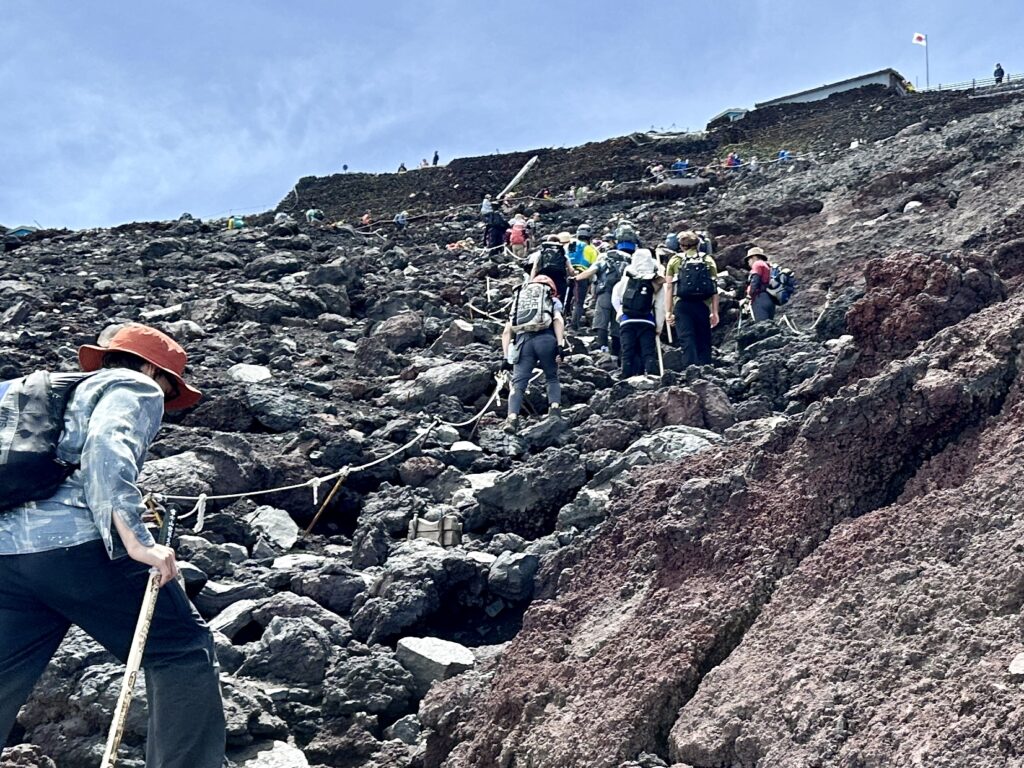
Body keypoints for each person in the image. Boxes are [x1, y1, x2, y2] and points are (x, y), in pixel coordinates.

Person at [0, 324, 225, 768]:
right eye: (168, 384)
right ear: (150, 368)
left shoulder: (32, 397)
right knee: (181, 649)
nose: (164, 396)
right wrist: (140, 544)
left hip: (7, 556)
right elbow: (108, 447)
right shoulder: (135, 385)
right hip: (74, 550)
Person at [501, 275, 566, 430]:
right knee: (551, 377)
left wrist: (505, 357)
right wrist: (560, 345)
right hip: (546, 341)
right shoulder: (552, 300)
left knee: (518, 384)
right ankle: (555, 410)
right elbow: (558, 320)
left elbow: (506, 331)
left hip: (523, 344)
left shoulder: (521, 301)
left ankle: (512, 418)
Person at [665, 231, 720, 368]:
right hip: (702, 304)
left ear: (681, 246)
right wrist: (715, 311)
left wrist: (668, 311)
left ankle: (691, 370)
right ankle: (706, 368)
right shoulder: (707, 260)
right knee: (704, 339)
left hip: (681, 304)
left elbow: (669, 287)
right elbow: (714, 288)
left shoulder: (675, 260)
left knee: (686, 338)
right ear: (698, 245)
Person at [612, 248, 664, 377]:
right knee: (648, 351)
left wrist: (621, 313)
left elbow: (615, 299)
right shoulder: (655, 282)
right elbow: (659, 306)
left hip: (627, 320)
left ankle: (626, 377)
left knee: (627, 350)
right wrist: (659, 326)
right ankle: (651, 375)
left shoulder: (626, 279)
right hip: (647, 321)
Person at [575, 239, 631, 354]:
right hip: (621, 294)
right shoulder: (626, 260)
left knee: (602, 321)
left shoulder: (603, 260)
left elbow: (590, 272)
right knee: (617, 321)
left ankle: (603, 347)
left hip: (605, 292)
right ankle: (617, 351)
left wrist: (575, 278)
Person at [531, 233, 575, 305]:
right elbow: (571, 270)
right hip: (559, 280)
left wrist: (531, 281)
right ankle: (562, 312)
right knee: (561, 298)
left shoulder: (541, 253)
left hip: (543, 279)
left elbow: (535, 268)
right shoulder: (563, 254)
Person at [745, 246, 776, 322]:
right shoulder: (768, 266)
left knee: (762, 326)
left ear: (754, 257)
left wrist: (749, 296)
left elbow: (755, 280)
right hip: (770, 299)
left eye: (749, 259)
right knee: (770, 325)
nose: (748, 262)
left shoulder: (757, 264)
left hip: (759, 299)